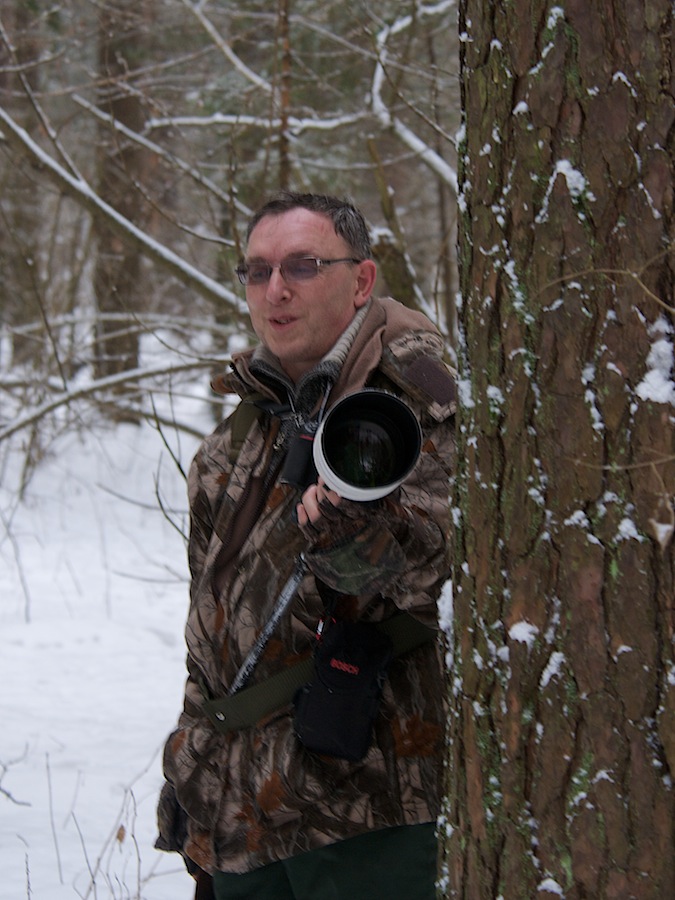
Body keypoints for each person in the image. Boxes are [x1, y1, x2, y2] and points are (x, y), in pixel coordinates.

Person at [156, 191, 456, 900]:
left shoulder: (416, 402)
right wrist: (195, 768)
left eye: (302, 266)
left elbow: (438, 573)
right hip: (240, 813)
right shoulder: (240, 432)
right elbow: (211, 624)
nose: (276, 290)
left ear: (361, 280)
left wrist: (355, 529)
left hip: (367, 816)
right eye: (257, 271)